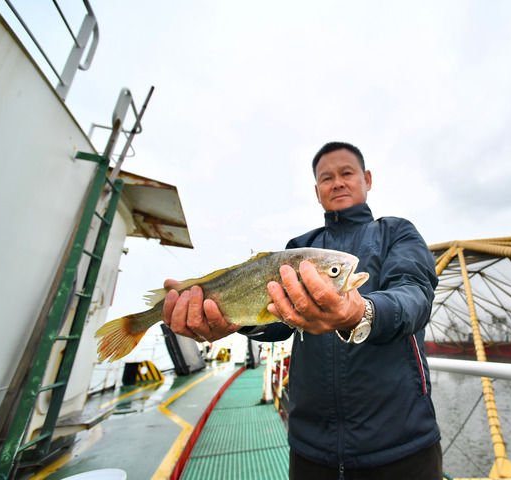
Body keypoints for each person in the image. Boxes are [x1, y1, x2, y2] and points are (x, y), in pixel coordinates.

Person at [163, 141, 441, 479]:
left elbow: (414, 295)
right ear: (316, 190)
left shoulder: (397, 232)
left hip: (402, 445)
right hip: (311, 449)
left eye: (347, 173)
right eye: (327, 178)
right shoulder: (297, 248)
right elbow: (279, 321)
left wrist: (362, 312)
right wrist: (235, 323)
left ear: (367, 179)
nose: (337, 182)